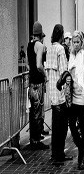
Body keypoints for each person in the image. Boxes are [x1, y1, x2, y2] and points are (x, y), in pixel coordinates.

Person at [45, 24, 72, 165]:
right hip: (60, 93)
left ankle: (54, 153)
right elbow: (64, 72)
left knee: (55, 126)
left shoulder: (49, 49)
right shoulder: (61, 49)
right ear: (61, 35)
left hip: (52, 93)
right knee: (62, 126)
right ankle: (59, 153)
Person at [68, 31, 84, 169]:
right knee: (72, 127)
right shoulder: (71, 56)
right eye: (74, 42)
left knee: (83, 129)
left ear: (81, 42)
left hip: (82, 98)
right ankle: (83, 149)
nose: (76, 44)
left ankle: (82, 156)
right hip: (72, 98)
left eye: (78, 42)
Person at [27, 21, 49, 150]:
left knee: (33, 112)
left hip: (31, 82)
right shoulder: (39, 45)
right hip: (38, 82)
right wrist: (45, 75)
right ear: (41, 34)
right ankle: (36, 141)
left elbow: (30, 65)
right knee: (38, 112)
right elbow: (39, 65)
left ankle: (33, 139)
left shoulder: (29, 45)